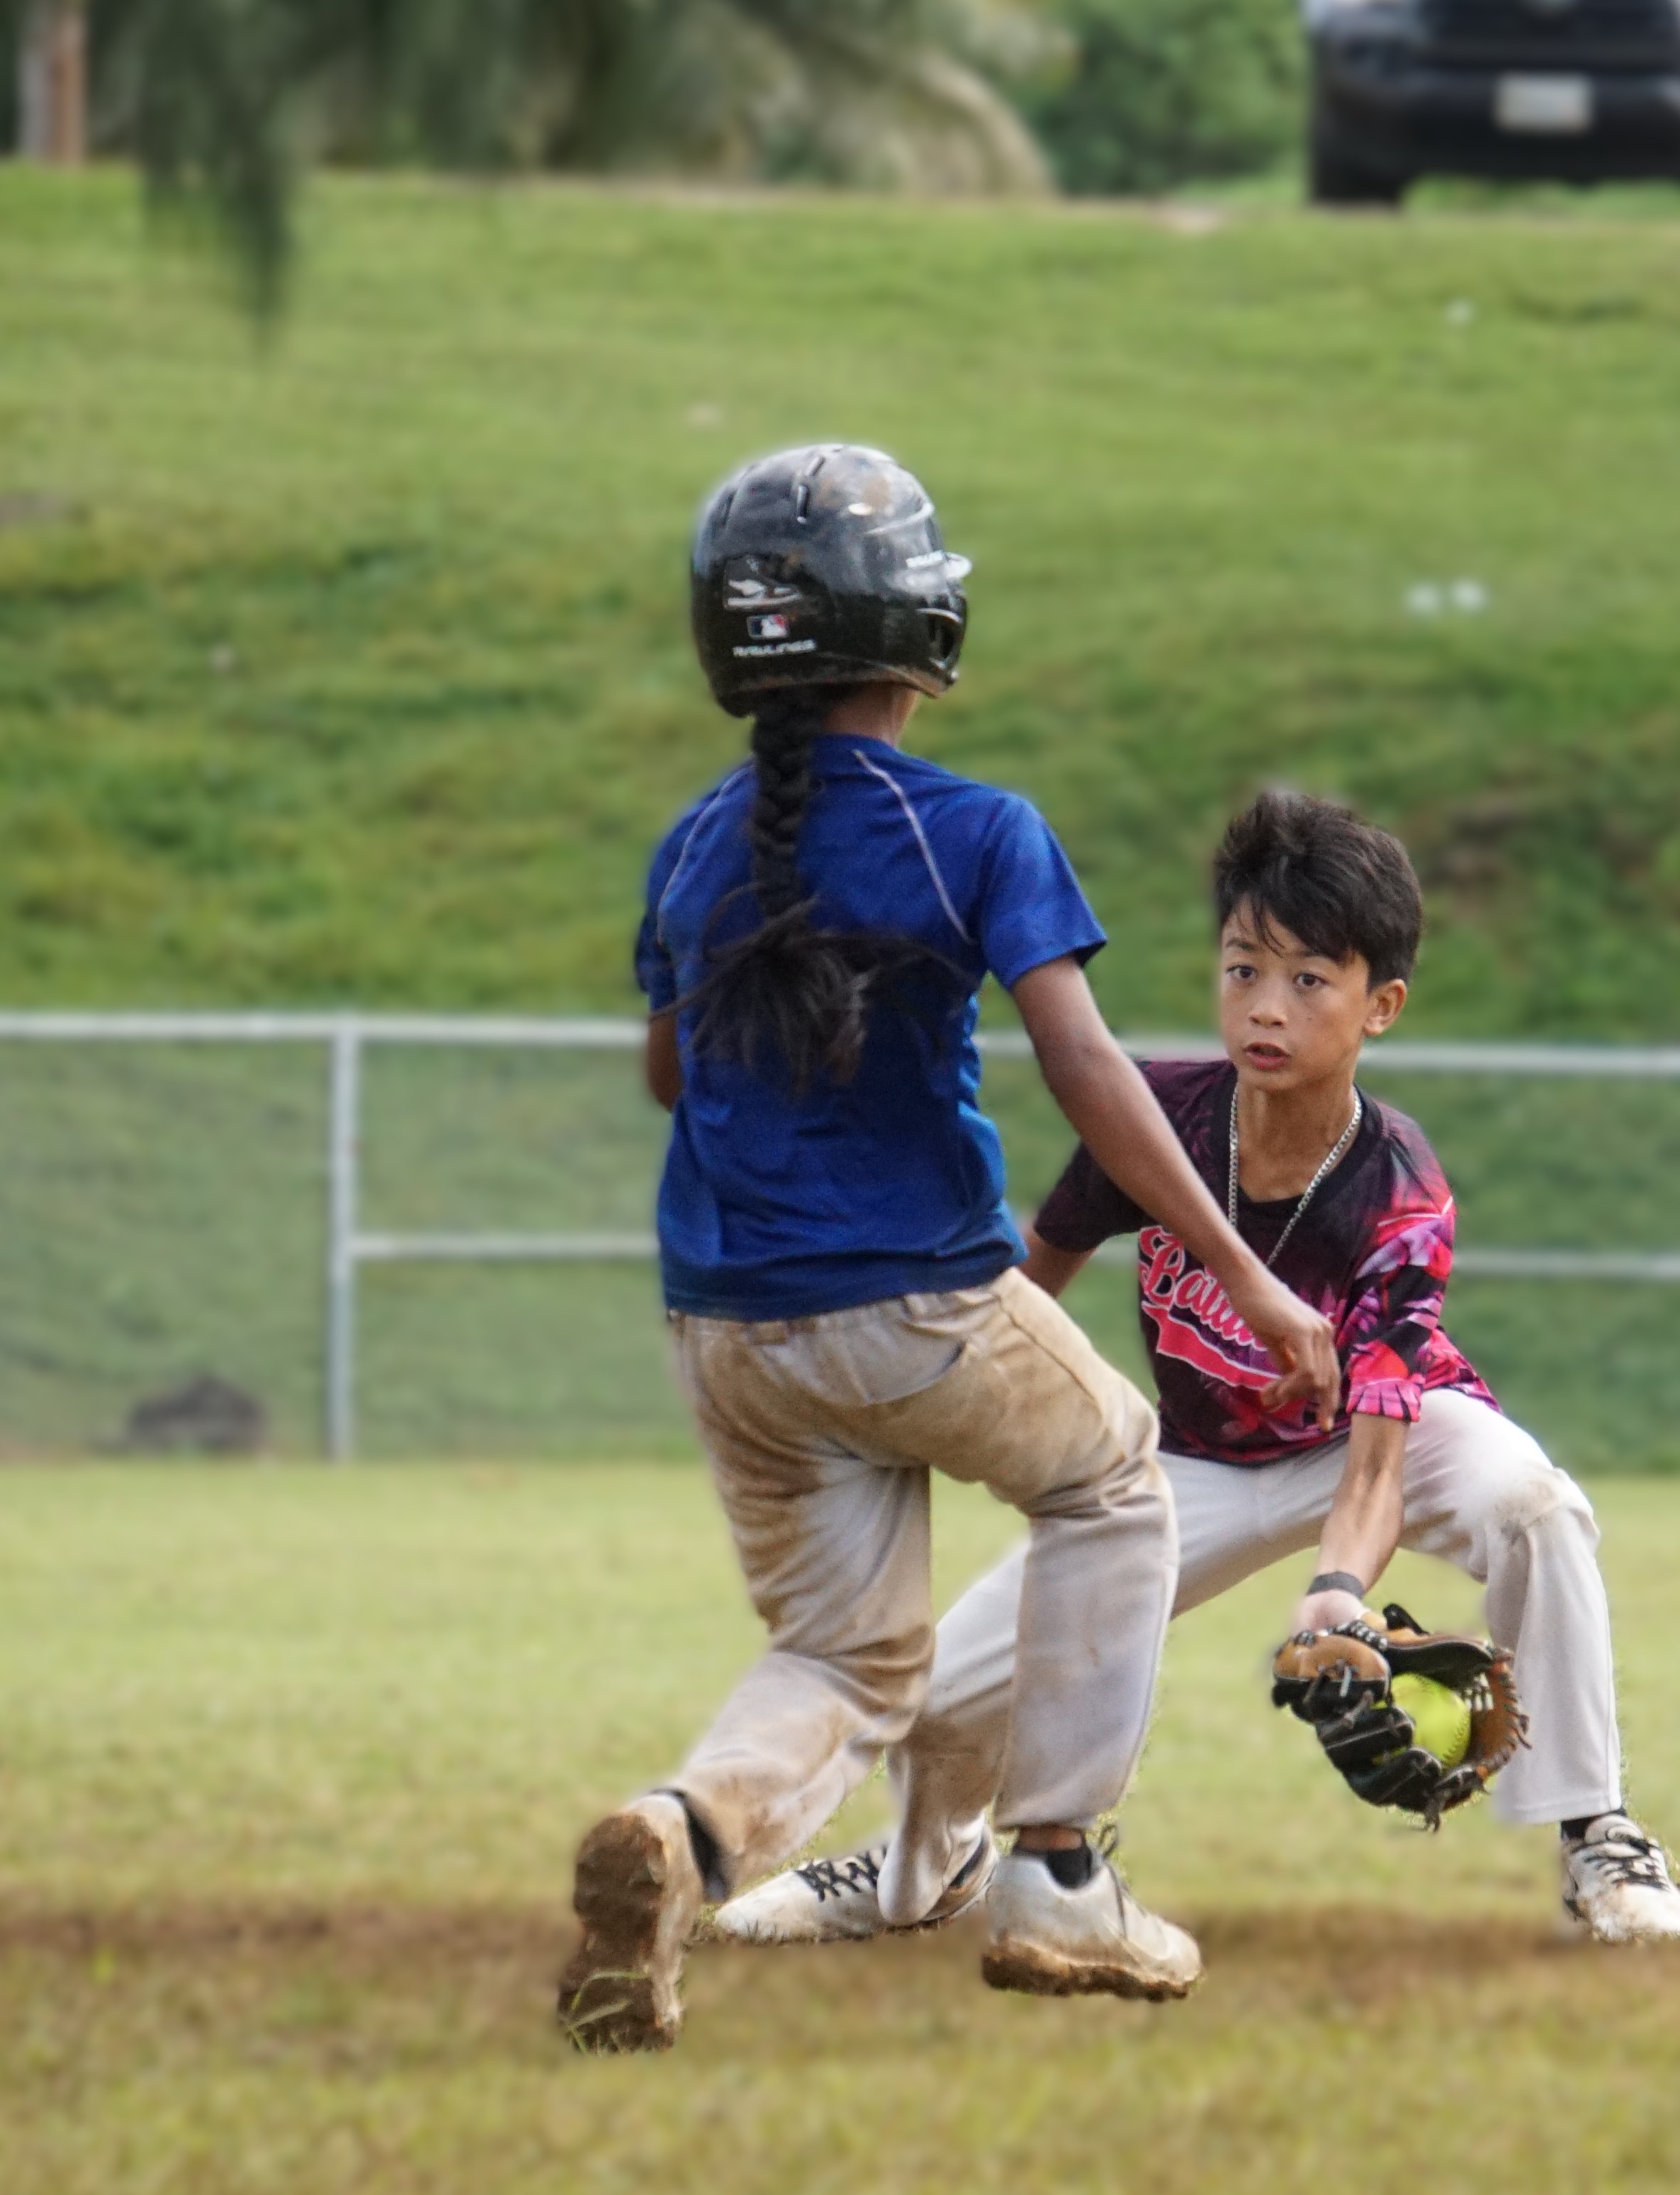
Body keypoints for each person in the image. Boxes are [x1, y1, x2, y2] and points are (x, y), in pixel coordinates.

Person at [557, 446, 1342, 2053]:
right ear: (909, 620)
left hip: (727, 1331)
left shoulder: (697, 843)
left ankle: (678, 1831)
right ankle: (1055, 1876)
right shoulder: (970, 828)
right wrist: (1250, 1276)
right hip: (909, 1300)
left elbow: (666, 1071)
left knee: (844, 1653)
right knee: (1118, 1474)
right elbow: (1086, 1069)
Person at [713, 791, 1680, 1951]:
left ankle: (1599, 1836)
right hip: (1197, 1462)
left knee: (1532, 1503)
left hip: (1383, 1436)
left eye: (1308, 980)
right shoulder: (1159, 1118)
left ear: (1382, 1005)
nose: (1264, 1009)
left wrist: (1338, 1592)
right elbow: (1029, 1288)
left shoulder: (1399, 1191)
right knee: (951, 1692)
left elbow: (1378, 1458)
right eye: (1243, 970)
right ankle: (922, 1868)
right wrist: (944, 1415)